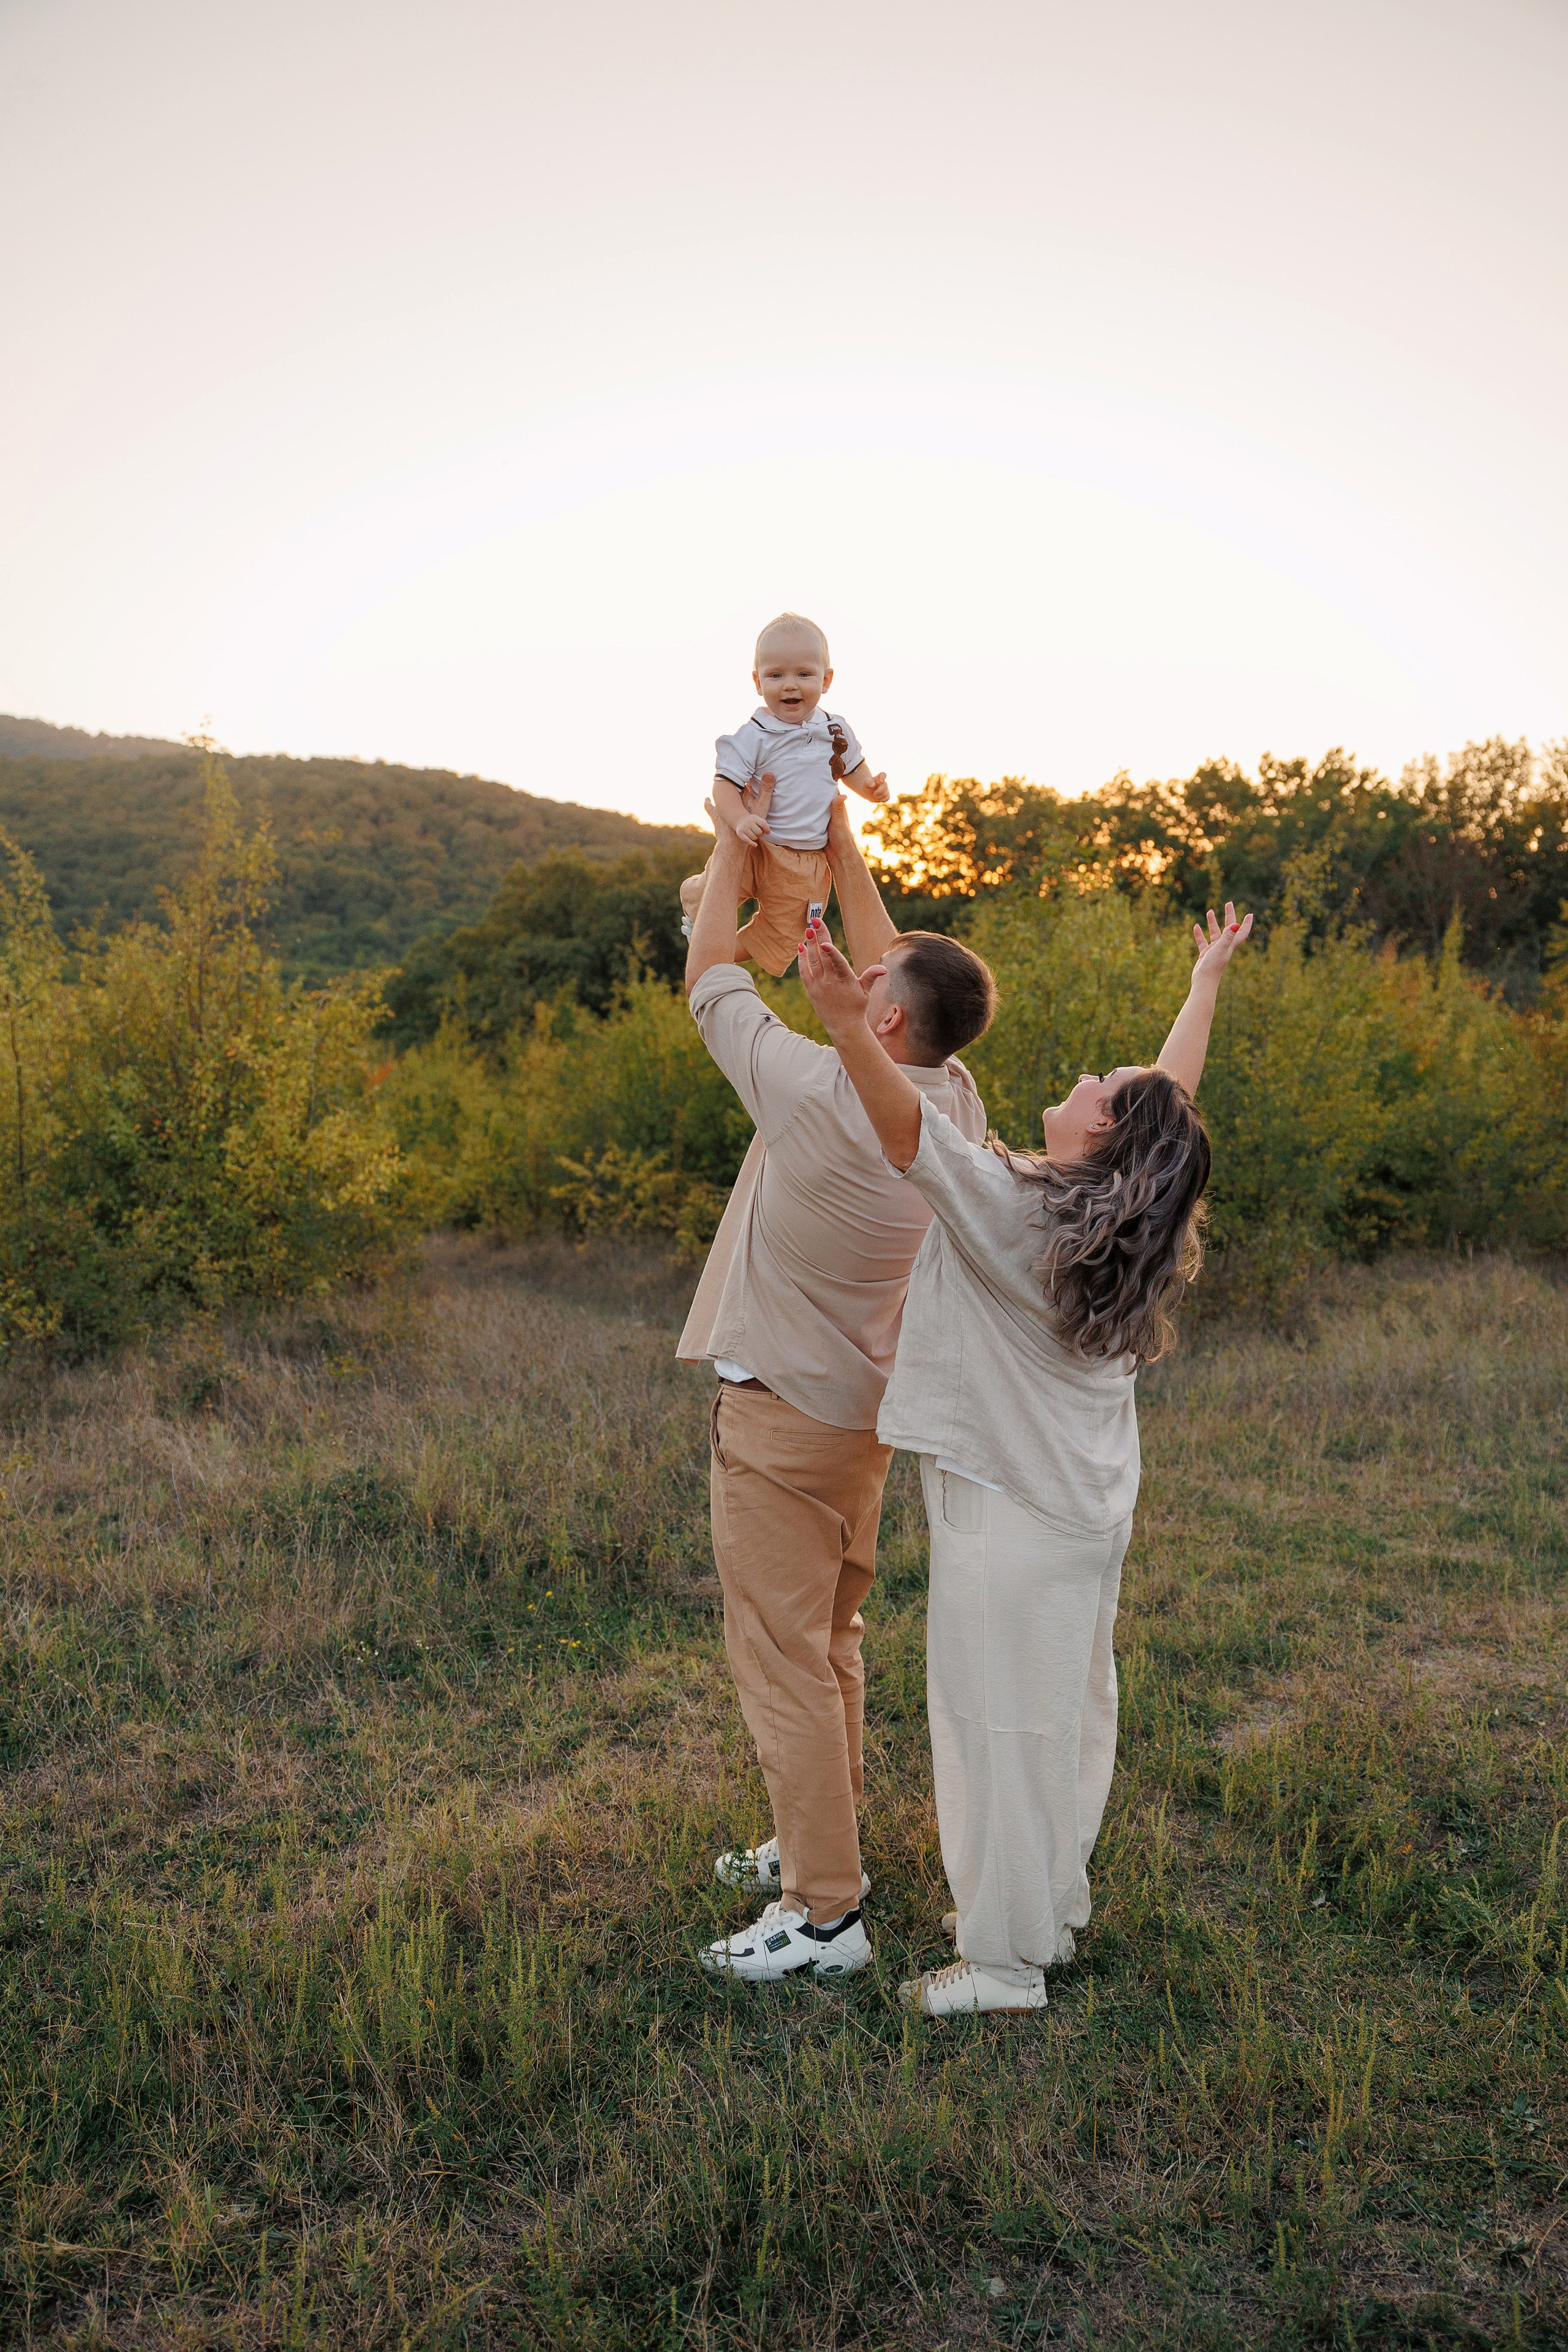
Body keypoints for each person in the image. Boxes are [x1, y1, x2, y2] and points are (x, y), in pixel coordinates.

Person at [797, 900, 1254, 2016]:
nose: (1101, 1075)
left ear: (1100, 1136)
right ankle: (1041, 1910)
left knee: (996, 1727)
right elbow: (1168, 1097)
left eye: (1105, 1086)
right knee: (1061, 1717)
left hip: (1009, 1518)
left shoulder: (1022, 1215)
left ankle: (1002, 1966)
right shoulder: (1101, 1216)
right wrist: (1202, 987)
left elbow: (909, 1130)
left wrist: (841, 1020)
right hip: (1078, 1517)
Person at [680, 794, 998, 1983]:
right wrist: (829, 831)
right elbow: (892, 954)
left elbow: (710, 970)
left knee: (781, 1661)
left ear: (887, 1014)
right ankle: (822, 1838)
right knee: (833, 1638)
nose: (863, 967)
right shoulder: (950, 1108)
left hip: (778, 1423)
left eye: (877, 977)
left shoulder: (812, 1095)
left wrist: (729, 842)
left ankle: (824, 1917)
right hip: (862, 1418)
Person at [679, 612, 891, 978]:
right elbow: (725, 785)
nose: (789, 685)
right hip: (756, 843)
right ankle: (696, 899)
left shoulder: (835, 728)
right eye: (776, 675)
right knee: (718, 891)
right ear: (757, 682)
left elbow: (852, 769)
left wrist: (870, 788)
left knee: (788, 934)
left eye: (803, 674)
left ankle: (716, 949)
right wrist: (741, 818)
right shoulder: (754, 735)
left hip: (805, 858)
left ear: (826, 680)